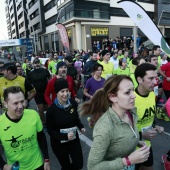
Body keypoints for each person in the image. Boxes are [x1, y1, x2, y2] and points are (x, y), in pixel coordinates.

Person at [79, 75, 150, 170]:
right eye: (127, 92)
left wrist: (137, 142)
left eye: (133, 90)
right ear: (113, 97)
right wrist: (128, 161)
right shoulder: (105, 127)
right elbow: (93, 166)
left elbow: (123, 135)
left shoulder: (131, 112)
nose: (134, 95)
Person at [0, 86, 50, 170]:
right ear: (5, 104)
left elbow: (41, 137)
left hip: (37, 164)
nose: (20, 106)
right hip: (16, 168)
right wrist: (3, 165)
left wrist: (46, 160)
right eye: (15, 103)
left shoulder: (33, 115)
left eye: (22, 101)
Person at [46, 78, 85, 170]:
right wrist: (64, 136)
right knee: (66, 166)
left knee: (79, 164)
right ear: (56, 92)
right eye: (62, 91)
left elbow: (76, 118)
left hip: (73, 140)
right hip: (59, 143)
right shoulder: (51, 110)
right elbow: (50, 131)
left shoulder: (73, 103)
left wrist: (81, 127)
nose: (65, 94)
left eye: (67, 91)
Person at [134, 63, 164, 170]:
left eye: (156, 78)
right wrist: (142, 135)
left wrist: (155, 125)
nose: (155, 82)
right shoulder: (130, 100)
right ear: (140, 80)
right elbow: (121, 131)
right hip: (131, 149)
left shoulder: (152, 94)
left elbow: (149, 115)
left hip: (146, 146)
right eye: (151, 78)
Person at [27, 58, 51, 126]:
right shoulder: (31, 73)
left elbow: (50, 78)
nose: (37, 64)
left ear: (39, 63)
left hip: (45, 92)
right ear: (33, 64)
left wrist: (50, 87)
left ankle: (49, 120)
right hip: (37, 93)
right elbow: (28, 83)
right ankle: (44, 123)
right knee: (40, 109)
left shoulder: (45, 71)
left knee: (46, 108)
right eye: (35, 63)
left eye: (38, 63)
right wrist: (31, 91)